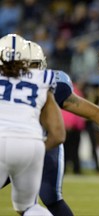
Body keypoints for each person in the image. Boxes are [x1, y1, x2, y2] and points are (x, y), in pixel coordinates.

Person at [2, 40, 99, 216]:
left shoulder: (46, 84)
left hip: (24, 143)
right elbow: (67, 128)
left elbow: (91, 112)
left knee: (49, 199)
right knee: (31, 206)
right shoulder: (48, 81)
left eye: (35, 66)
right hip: (36, 145)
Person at [0, 34, 65, 215]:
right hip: (31, 144)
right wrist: (33, 149)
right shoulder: (42, 78)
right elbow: (59, 134)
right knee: (28, 207)